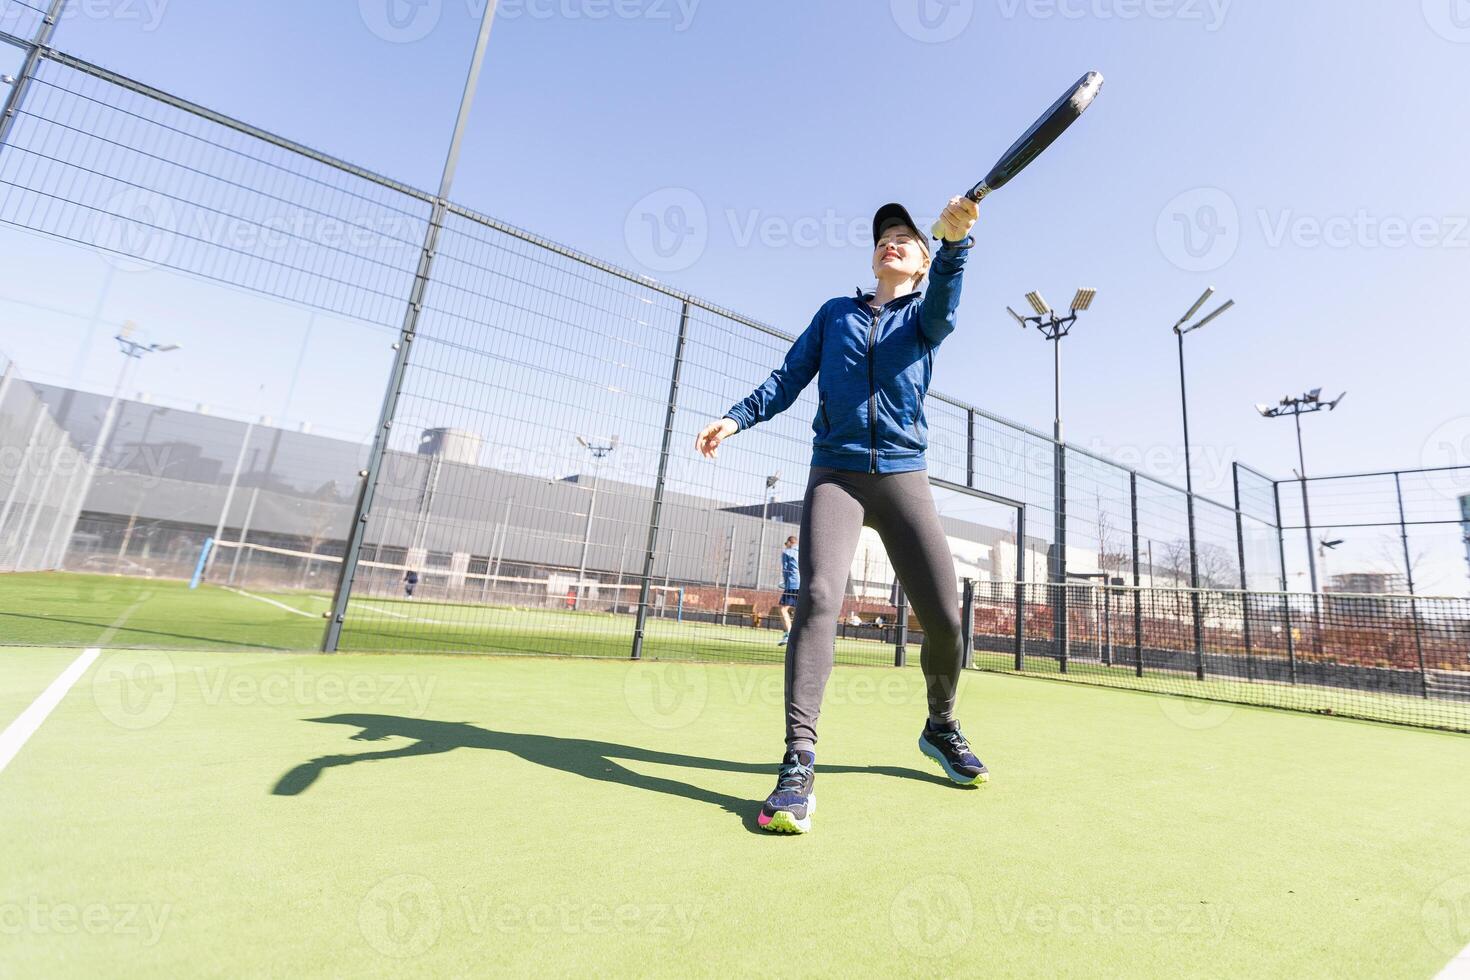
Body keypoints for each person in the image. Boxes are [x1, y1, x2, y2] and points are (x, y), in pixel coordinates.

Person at [695, 198, 989, 835]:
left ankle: (941, 726)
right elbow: (789, 376)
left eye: (907, 240)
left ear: (921, 264)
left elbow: (944, 304)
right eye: (885, 236)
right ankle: (798, 763)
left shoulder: (924, 316)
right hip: (837, 473)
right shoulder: (835, 315)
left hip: (904, 477)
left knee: (944, 620)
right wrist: (736, 416)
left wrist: (957, 248)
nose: (892, 242)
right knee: (820, 595)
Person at [777, 535, 799, 645]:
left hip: (792, 584)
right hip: (803, 585)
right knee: (799, 610)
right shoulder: (803, 552)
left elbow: (786, 570)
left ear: (790, 543)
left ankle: (788, 634)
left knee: (782, 609)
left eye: (786, 544)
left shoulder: (787, 552)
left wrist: (785, 584)